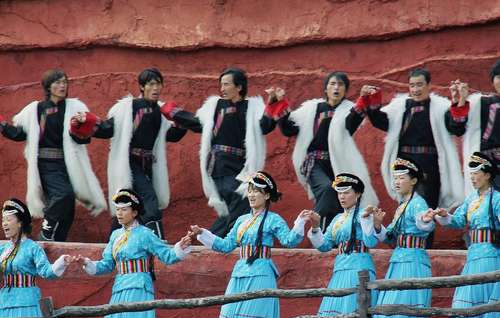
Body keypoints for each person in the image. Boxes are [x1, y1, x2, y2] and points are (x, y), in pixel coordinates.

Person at [189, 171, 308, 318]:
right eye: (250, 190)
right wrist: (202, 233)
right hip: (239, 275)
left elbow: (289, 241)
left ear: (266, 195)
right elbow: (226, 245)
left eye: (256, 191)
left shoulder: (273, 219)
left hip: (260, 275)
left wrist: (300, 222)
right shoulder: (241, 220)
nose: (251, 195)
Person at [71, 68, 187, 239]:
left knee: (128, 205)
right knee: (150, 201)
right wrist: (86, 121)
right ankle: (159, 244)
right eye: (151, 84)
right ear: (142, 87)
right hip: (129, 163)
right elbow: (108, 128)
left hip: (148, 165)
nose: (155, 88)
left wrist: (181, 120)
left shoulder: (160, 111)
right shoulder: (129, 108)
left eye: (158, 84)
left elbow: (171, 135)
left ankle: (112, 246)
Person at [160, 67, 276, 236]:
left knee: (232, 210)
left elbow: (265, 126)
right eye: (221, 84)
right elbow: (196, 122)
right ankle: (232, 240)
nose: (222, 88)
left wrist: (273, 103)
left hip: (243, 166)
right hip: (220, 164)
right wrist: (169, 110)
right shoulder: (216, 106)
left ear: (239, 87)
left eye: (226, 84)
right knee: (241, 197)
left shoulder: (252, 107)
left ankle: (210, 241)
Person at [76, 189, 191, 318]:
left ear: (135, 212)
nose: (119, 213)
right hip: (119, 288)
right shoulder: (115, 235)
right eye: (117, 209)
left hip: (138, 287)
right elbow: (107, 264)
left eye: (124, 209)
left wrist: (181, 246)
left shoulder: (145, 234)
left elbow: (167, 256)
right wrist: (87, 263)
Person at [0, 69, 107, 241]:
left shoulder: (74, 108)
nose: (62, 86)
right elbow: (19, 134)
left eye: (65, 82)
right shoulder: (36, 109)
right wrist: (2, 124)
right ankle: (45, 233)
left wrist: (81, 125)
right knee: (63, 194)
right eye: (58, 82)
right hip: (46, 164)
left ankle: (57, 242)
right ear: (48, 87)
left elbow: (82, 138)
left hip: (68, 164)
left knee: (68, 207)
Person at [359, 68, 464, 243]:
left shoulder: (440, 107)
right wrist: (372, 100)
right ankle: (404, 244)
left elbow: (457, 128)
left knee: (426, 206)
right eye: (412, 85)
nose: (415, 89)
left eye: (419, 85)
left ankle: (424, 247)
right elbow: (381, 121)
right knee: (405, 204)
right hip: (404, 164)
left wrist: (458, 102)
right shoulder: (400, 107)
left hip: (429, 166)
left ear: (428, 85)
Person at [267, 71, 378, 231]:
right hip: (314, 163)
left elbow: (351, 125)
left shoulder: (349, 109)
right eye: (332, 84)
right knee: (327, 189)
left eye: (340, 84)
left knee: (340, 200)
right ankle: (312, 226)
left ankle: (328, 237)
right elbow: (289, 129)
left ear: (345, 90)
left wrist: (363, 99)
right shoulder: (312, 109)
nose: (336, 87)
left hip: (339, 163)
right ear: (326, 89)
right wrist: (279, 102)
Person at [306, 173, 383, 318]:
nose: (342, 196)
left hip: (359, 267)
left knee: (352, 309)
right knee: (334, 309)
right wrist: (316, 227)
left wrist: (368, 221)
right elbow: (324, 246)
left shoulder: (365, 214)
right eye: (339, 193)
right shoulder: (337, 219)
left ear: (358, 194)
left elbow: (370, 242)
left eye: (346, 192)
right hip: (340, 269)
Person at [0, 198, 70, 318]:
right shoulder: (3, 249)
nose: (4, 224)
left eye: (8, 220)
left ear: (20, 223)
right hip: (5, 303)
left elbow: (47, 272)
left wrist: (61, 262)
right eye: (3, 220)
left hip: (26, 303)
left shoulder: (32, 248)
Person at [431, 153, 499, 318]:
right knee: (465, 299)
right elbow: (458, 221)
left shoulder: (497, 199)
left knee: (485, 295)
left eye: (476, 173)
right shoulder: (471, 198)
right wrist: (444, 215)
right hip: (473, 254)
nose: (472, 178)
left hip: (490, 255)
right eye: (471, 174)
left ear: (487, 175)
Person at [370, 158, 435, 318]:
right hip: (399, 260)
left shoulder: (418, 203)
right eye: (395, 178)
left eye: (401, 178)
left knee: (401, 308)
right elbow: (390, 237)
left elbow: (424, 221)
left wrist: (425, 220)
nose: (397, 182)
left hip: (412, 261)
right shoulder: (402, 205)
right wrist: (378, 225)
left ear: (413, 181)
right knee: (389, 309)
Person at [447, 60, 500, 193]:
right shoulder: (481, 103)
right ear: (493, 81)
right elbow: (457, 128)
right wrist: (460, 100)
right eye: (499, 77)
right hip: (487, 168)